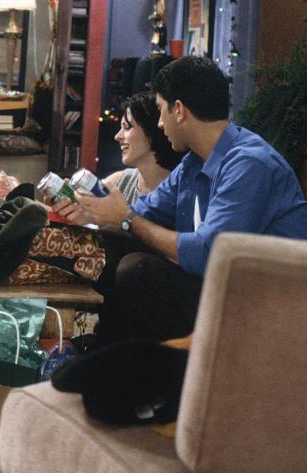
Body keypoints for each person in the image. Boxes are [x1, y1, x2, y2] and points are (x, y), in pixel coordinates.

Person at [76, 56, 307, 343]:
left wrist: (125, 219)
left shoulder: (249, 164)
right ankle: (105, 352)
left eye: (161, 111)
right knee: (111, 245)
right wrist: (92, 211)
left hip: (262, 305)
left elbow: (208, 254)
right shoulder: (193, 163)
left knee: (137, 270)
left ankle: (139, 367)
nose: (160, 123)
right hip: (221, 288)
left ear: (180, 110)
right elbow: (143, 213)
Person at [0, 91, 180, 214]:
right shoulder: (121, 181)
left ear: (153, 131)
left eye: (127, 127)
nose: (117, 136)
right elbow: (72, 212)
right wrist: (16, 193)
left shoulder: (177, 189)